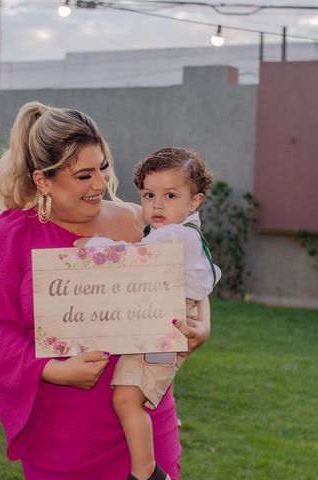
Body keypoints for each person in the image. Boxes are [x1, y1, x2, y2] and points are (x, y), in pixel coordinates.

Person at [0, 101, 211, 480]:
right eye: (84, 176)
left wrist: (203, 326)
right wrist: (52, 370)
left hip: (144, 424)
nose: (100, 184)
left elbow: (191, 273)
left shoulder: (137, 221)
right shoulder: (13, 234)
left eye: (102, 168)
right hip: (64, 437)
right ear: (43, 180)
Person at [79, 147, 221, 480]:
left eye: (170, 195)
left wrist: (93, 246)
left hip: (164, 325)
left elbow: (132, 260)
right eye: (148, 194)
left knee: (128, 399)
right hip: (161, 319)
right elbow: (209, 275)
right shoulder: (184, 234)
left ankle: (146, 473)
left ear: (195, 202)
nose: (157, 204)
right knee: (127, 397)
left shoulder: (174, 235)